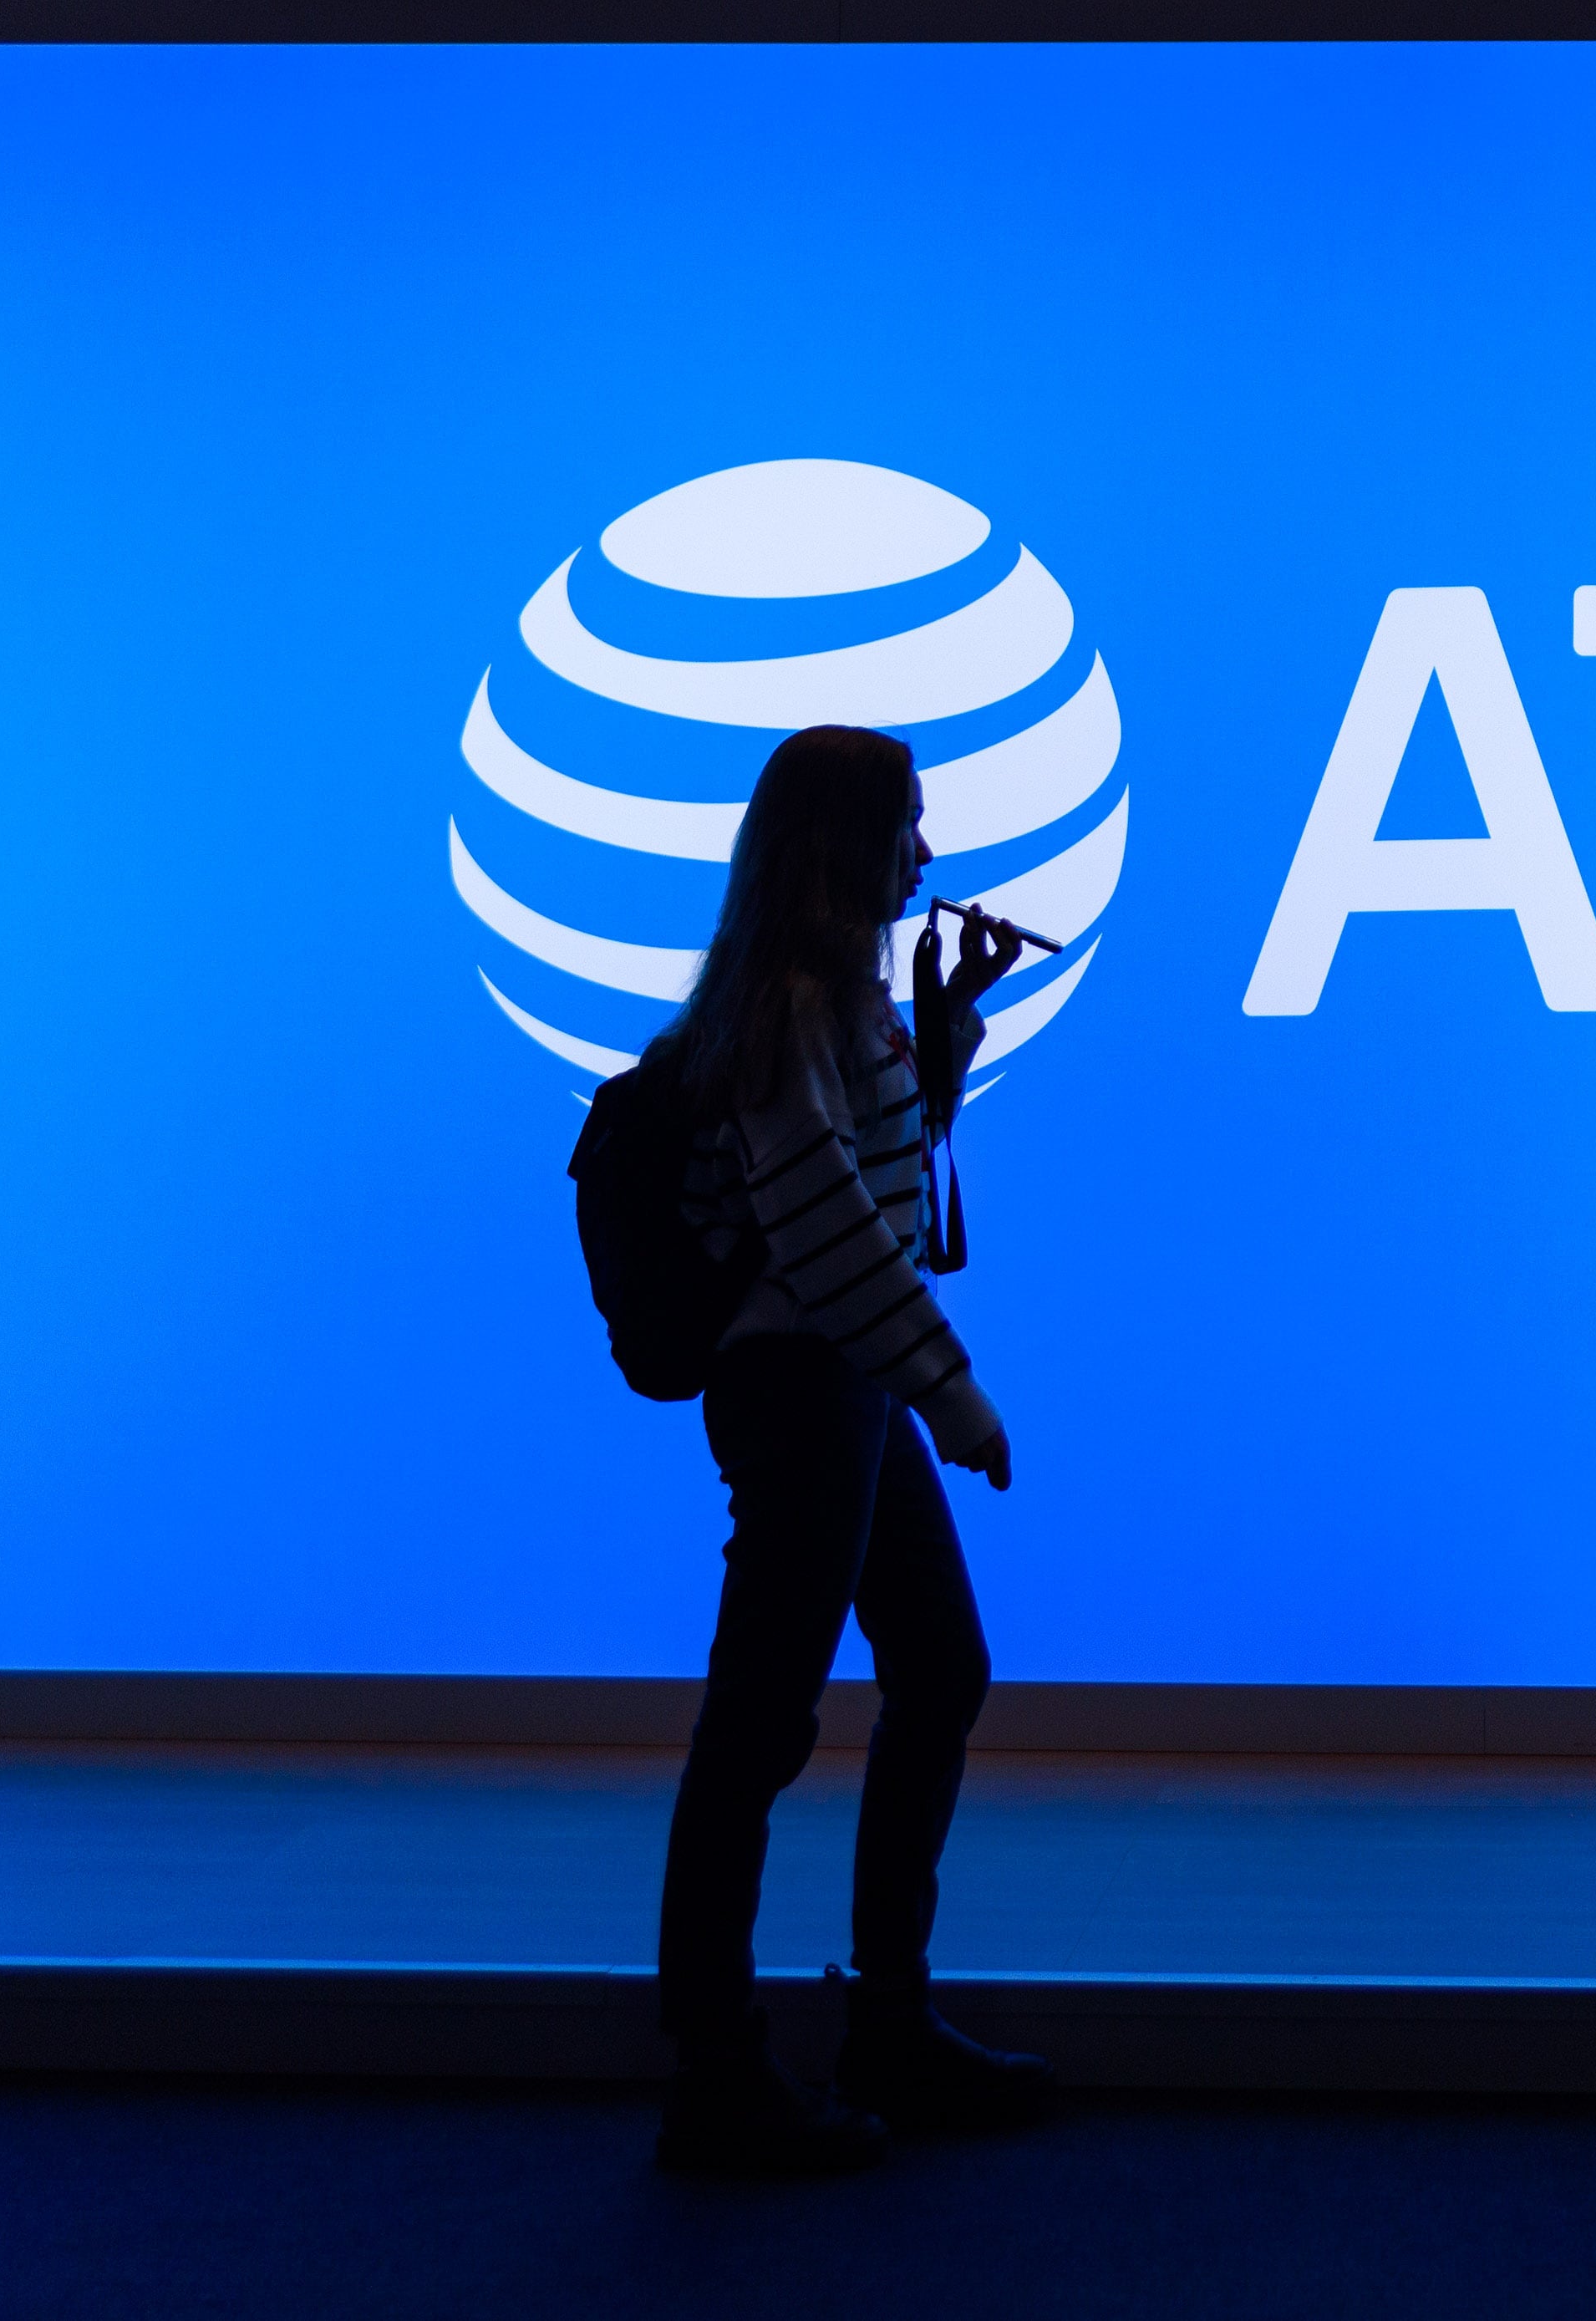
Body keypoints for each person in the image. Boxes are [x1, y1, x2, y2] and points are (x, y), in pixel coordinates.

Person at [643, 721, 1053, 2176]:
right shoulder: (784, 1013)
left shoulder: (831, 1005)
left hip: (847, 1389)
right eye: (907, 827)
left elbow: (877, 1179)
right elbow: (826, 1239)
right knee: (761, 1720)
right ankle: (718, 2071)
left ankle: (885, 2022)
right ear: (840, 846)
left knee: (933, 1668)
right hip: (809, 1388)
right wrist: (955, 1390)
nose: (927, 857)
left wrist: (940, 1051)